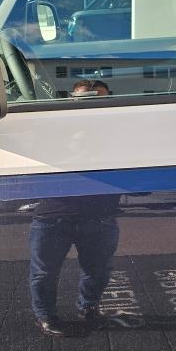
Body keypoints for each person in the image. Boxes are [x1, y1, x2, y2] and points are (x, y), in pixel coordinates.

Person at [29, 80, 119, 337]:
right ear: (71, 100)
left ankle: (88, 308)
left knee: (98, 271)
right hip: (53, 214)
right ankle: (45, 316)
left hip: (100, 214)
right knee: (44, 273)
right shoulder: (54, 129)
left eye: (99, 99)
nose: (92, 106)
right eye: (85, 99)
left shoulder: (118, 131)